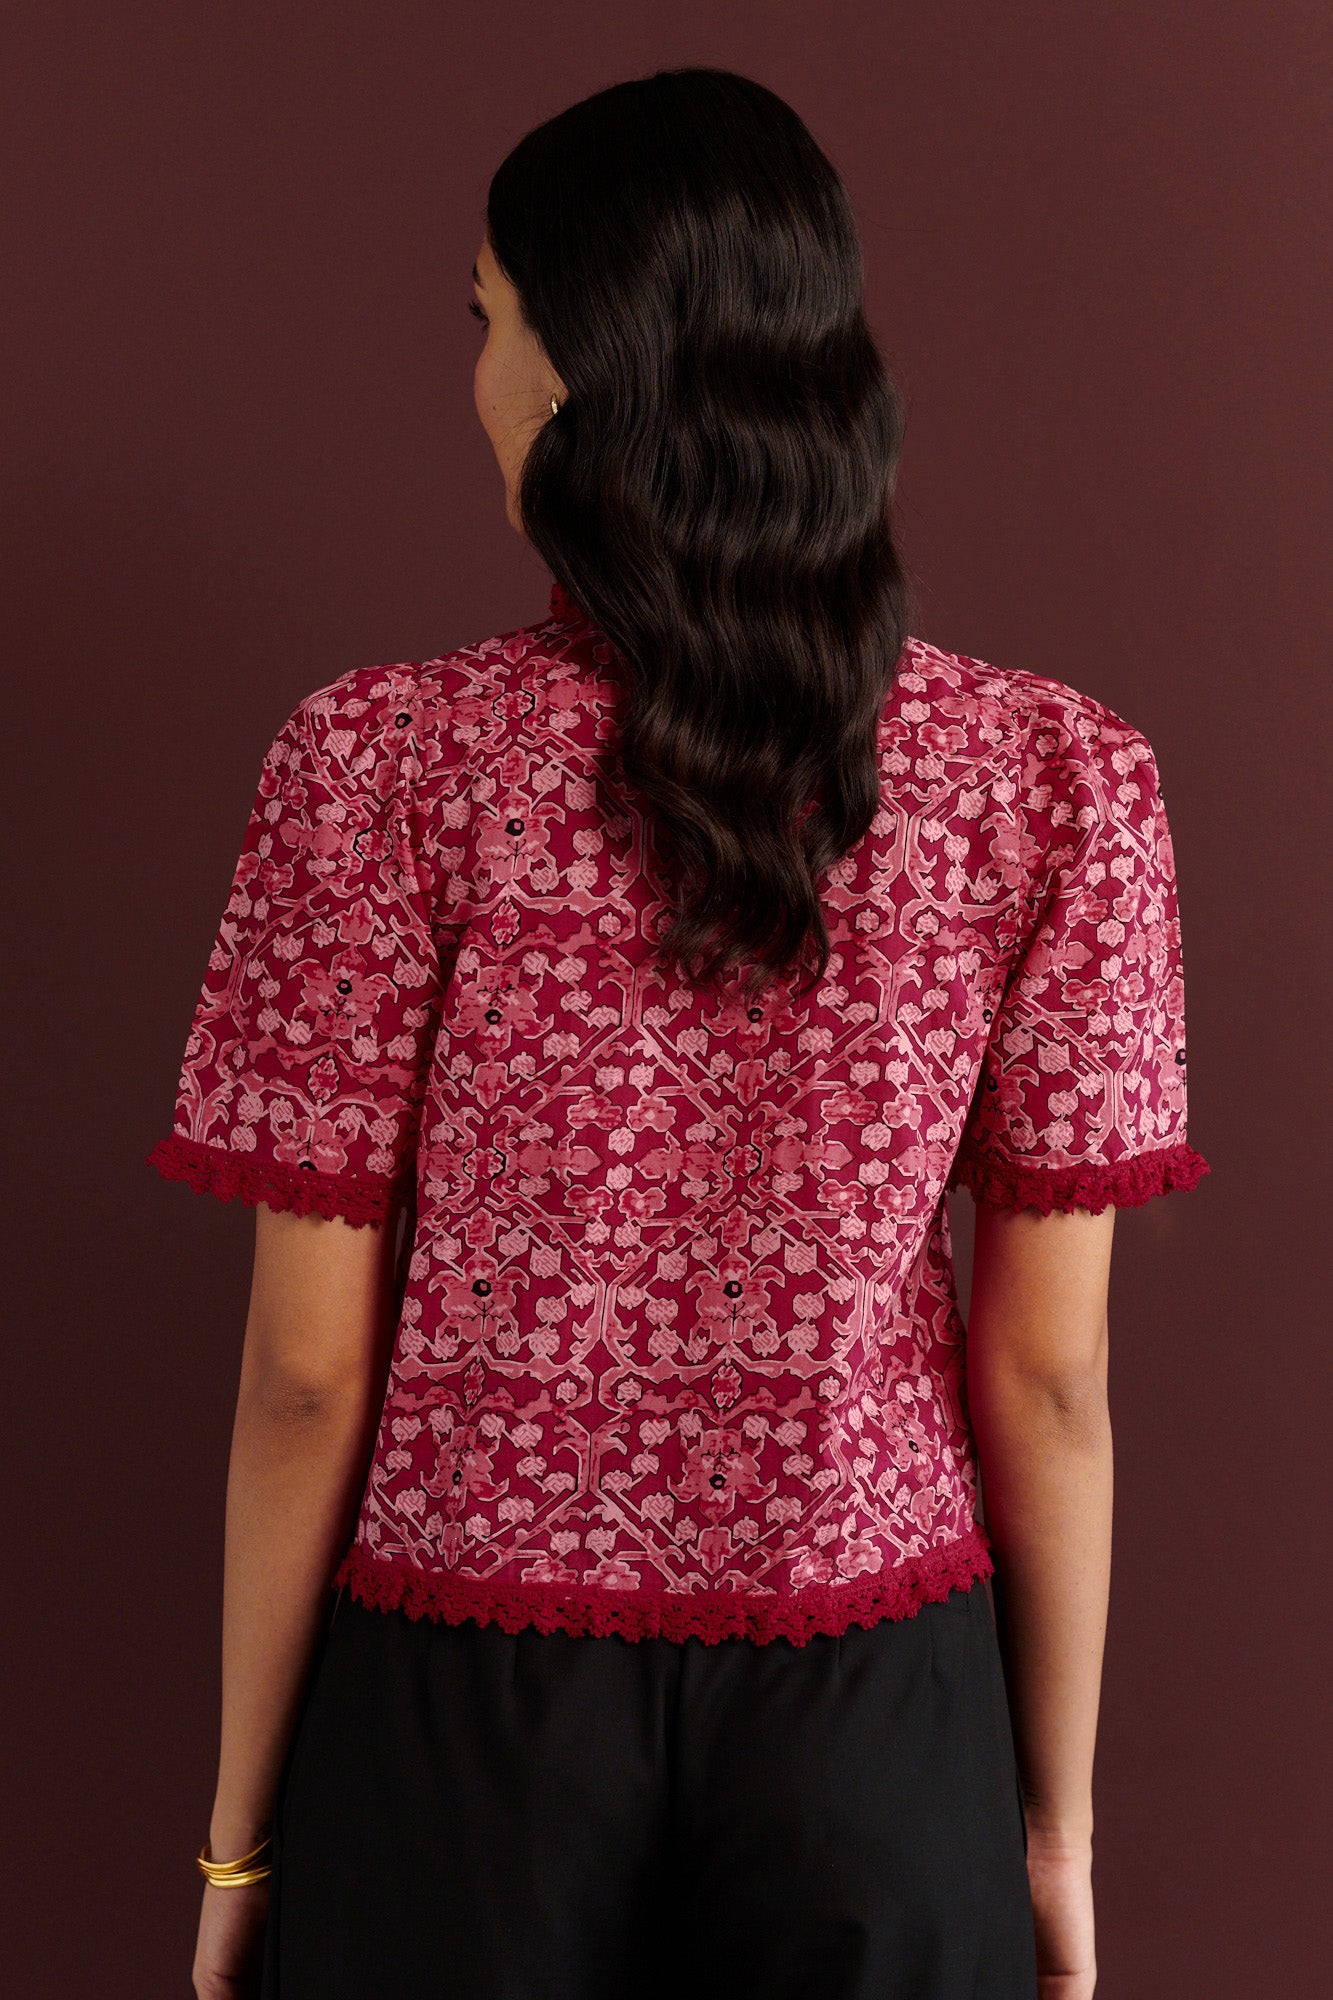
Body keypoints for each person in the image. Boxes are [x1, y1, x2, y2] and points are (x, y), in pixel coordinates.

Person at [148, 67, 1210, 2000]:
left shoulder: (377, 763)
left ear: (572, 369)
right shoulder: (1059, 779)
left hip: (466, 1693)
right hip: (873, 1693)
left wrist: (240, 1838)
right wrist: (1050, 1829)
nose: (475, 372)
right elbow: (1048, 1374)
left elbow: (306, 1373)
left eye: (487, 317)